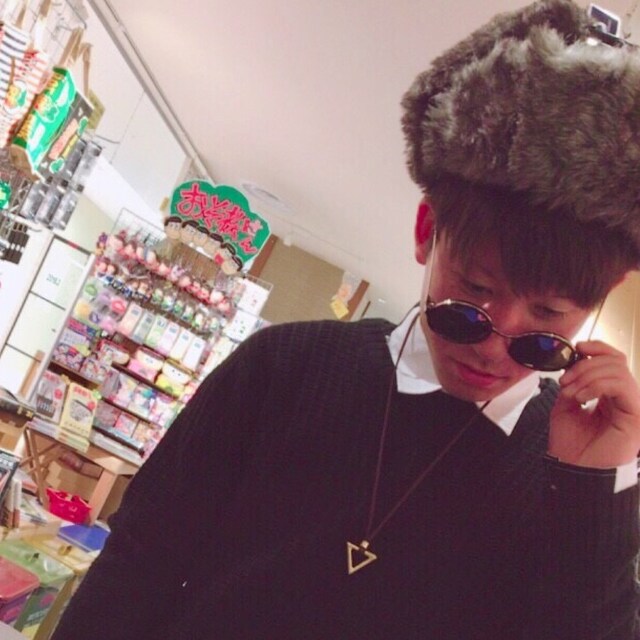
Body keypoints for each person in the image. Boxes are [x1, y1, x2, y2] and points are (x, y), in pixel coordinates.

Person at [52, 1, 640, 638]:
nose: (495, 347)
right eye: (473, 296)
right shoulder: (282, 368)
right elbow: (140, 562)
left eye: (546, 320)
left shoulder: (568, 469)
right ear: (426, 231)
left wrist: (591, 488)